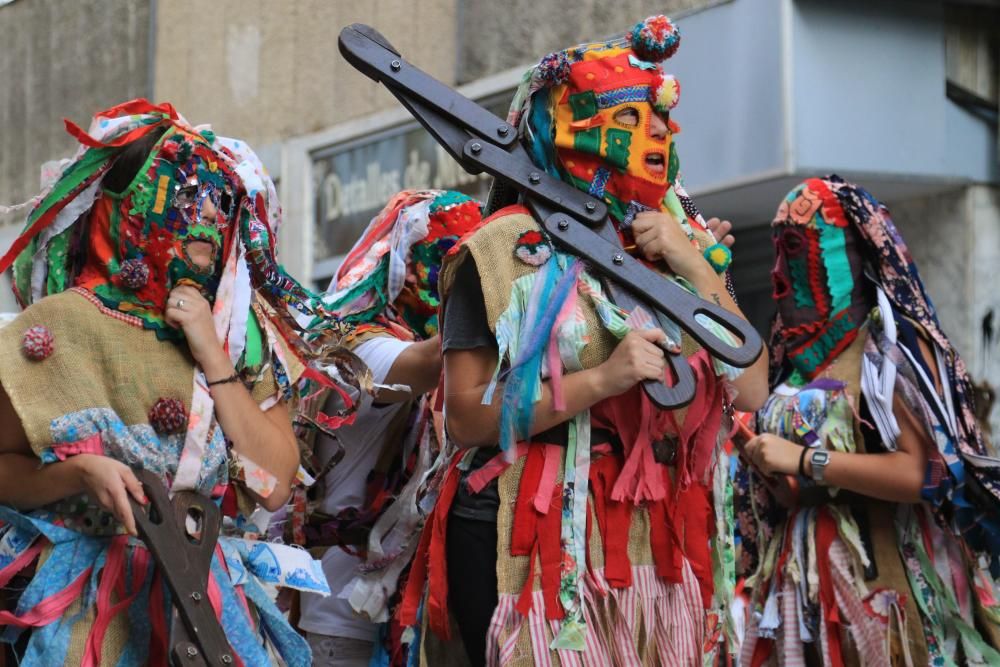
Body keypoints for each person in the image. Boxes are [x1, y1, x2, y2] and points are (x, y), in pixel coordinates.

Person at [397, 16, 769, 666]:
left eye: (658, 121)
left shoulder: (673, 247)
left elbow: (753, 383)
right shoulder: (498, 248)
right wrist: (602, 378)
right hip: (525, 543)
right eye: (628, 120)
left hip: (656, 545)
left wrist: (697, 265)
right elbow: (465, 416)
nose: (654, 137)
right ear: (569, 128)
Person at [0, 99, 359, 666]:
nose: (203, 229)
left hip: (207, 614)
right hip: (86, 619)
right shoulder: (59, 326)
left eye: (219, 205)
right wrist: (76, 473)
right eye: (181, 201)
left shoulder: (243, 341)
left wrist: (211, 353)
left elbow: (271, 486)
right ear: (128, 212)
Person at [736, 175, 1000, 665]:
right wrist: (783, 479)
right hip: (808, 583)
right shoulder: (793, 361)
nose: (776, 272)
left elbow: (928, 473)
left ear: (848, 253)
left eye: (792, 246)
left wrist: (805, 459)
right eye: (774, 249)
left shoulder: (889, 346)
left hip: (889, 580)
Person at [296, 189, 481, 667]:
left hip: (417, 622)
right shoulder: (359, 346)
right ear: (411, 267)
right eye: (456, 265)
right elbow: (428, 360)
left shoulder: (466, 363)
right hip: (342, 626)